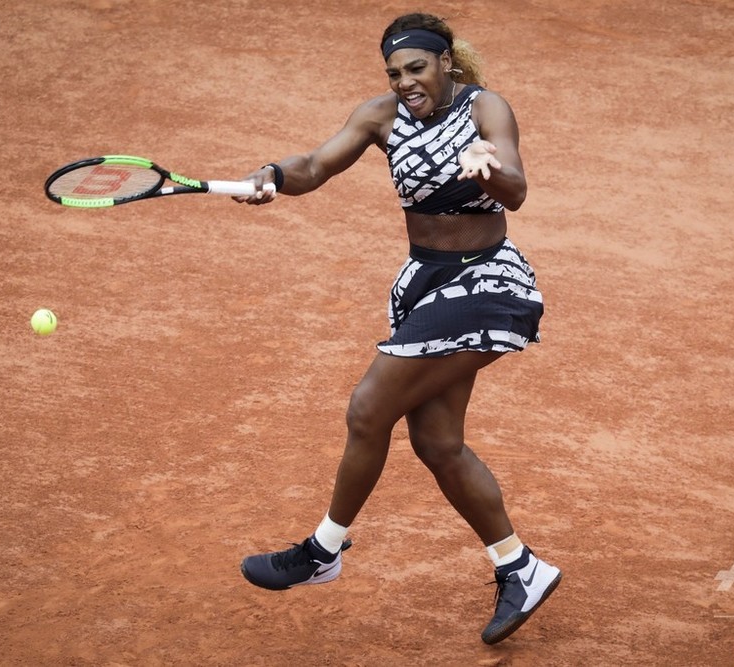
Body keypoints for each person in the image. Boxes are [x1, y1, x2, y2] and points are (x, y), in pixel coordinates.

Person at [235, 12, 560, 645]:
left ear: (447, 63)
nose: (406, 81)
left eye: (417, 67)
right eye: (395, 72)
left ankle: (323, 550)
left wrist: (486, 164)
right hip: (425, 285)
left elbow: (516, 191)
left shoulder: (487, 108)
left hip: (487, 284)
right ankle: (521, 567)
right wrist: (272, 177)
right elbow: (314, 165)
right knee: (438, 444)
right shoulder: (379, 115)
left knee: (367, 408)